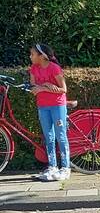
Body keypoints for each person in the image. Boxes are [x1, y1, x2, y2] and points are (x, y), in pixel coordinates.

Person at [27, 44, 70, 182]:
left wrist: (45, 87)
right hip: (42, 106)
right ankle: (52, 166)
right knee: (48, 137)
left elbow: (63, 89)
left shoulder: (54, 68)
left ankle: (65, 168)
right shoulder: (33, 68)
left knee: (60, 136)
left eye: (33, 54)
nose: (30, 57)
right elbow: (33, 88)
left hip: (57, 106)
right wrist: (46, 86)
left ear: (42, 56)